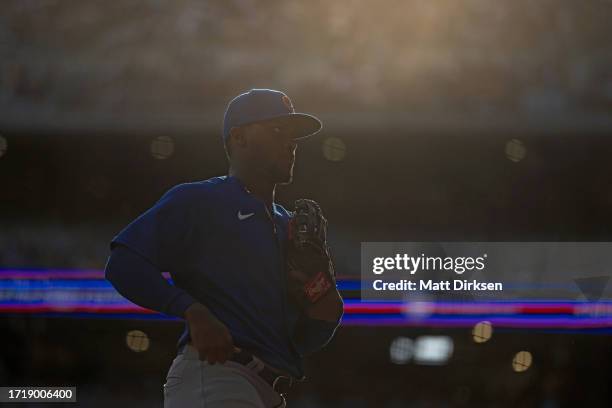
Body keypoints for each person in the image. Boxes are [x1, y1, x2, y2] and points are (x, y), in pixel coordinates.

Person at [104, 89, 344, 407]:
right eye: (277, 131)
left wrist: (326, 303)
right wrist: (192, 310)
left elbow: (302, 340)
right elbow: (122, 263)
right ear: (239, 137)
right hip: (218, 376)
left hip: (270, 391)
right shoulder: (201, 200)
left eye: (294, 136)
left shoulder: (290, 228)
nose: (290, 143)